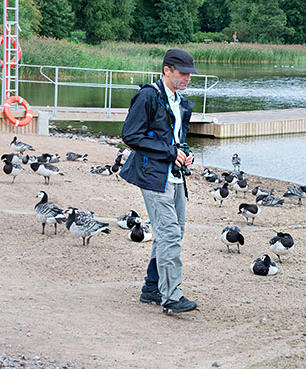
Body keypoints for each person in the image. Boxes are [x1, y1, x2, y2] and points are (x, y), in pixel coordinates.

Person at [119, 49, 197, 314]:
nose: (187, 77)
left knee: (174, 233)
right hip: (153, 175)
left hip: (175, 177)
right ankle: (171, 297)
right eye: (182, 73)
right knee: (170, 235)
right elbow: (130, 135)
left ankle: (151, 288)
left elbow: (176, 138)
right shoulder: (148, 96)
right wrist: (170, 152)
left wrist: (185, 153)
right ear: (166, 70)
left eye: (189, 73)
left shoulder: (180, 101)